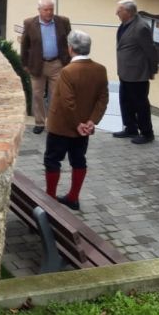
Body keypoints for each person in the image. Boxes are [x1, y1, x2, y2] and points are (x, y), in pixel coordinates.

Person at [44, 31, 109, 211]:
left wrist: (77, 124)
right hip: (84, 128)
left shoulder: (68, 71)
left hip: (62, 126)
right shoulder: (100, 69)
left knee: (52, 160)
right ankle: (73, 197)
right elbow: (103, 99)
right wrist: (92, 121)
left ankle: (50, 198)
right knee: (78, 159)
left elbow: (67, 101)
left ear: (70, 48)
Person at [21, 0, 72, 135]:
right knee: (37, 95)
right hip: (38, 64)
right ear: (39, 10)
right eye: (46, 10)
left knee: (56, 95)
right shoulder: (29, 23)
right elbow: (25, 45)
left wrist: (68, 60)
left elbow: (70, 41)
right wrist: (25, 64)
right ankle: (39, 122)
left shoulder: (63, 21)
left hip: (57, 64)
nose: (49, 12)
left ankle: (54, 122)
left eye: (51, 9)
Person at [114, 0, 159, 144]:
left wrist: (152, 70)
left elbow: (151, 50)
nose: (116, 13)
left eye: (119, 10)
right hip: (125, 72)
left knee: (140, 104)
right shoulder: (125, 24)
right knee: (125, 101)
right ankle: (131, 128)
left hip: (138, 74)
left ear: (128, 12)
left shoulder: (141, 28)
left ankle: (147, 133)